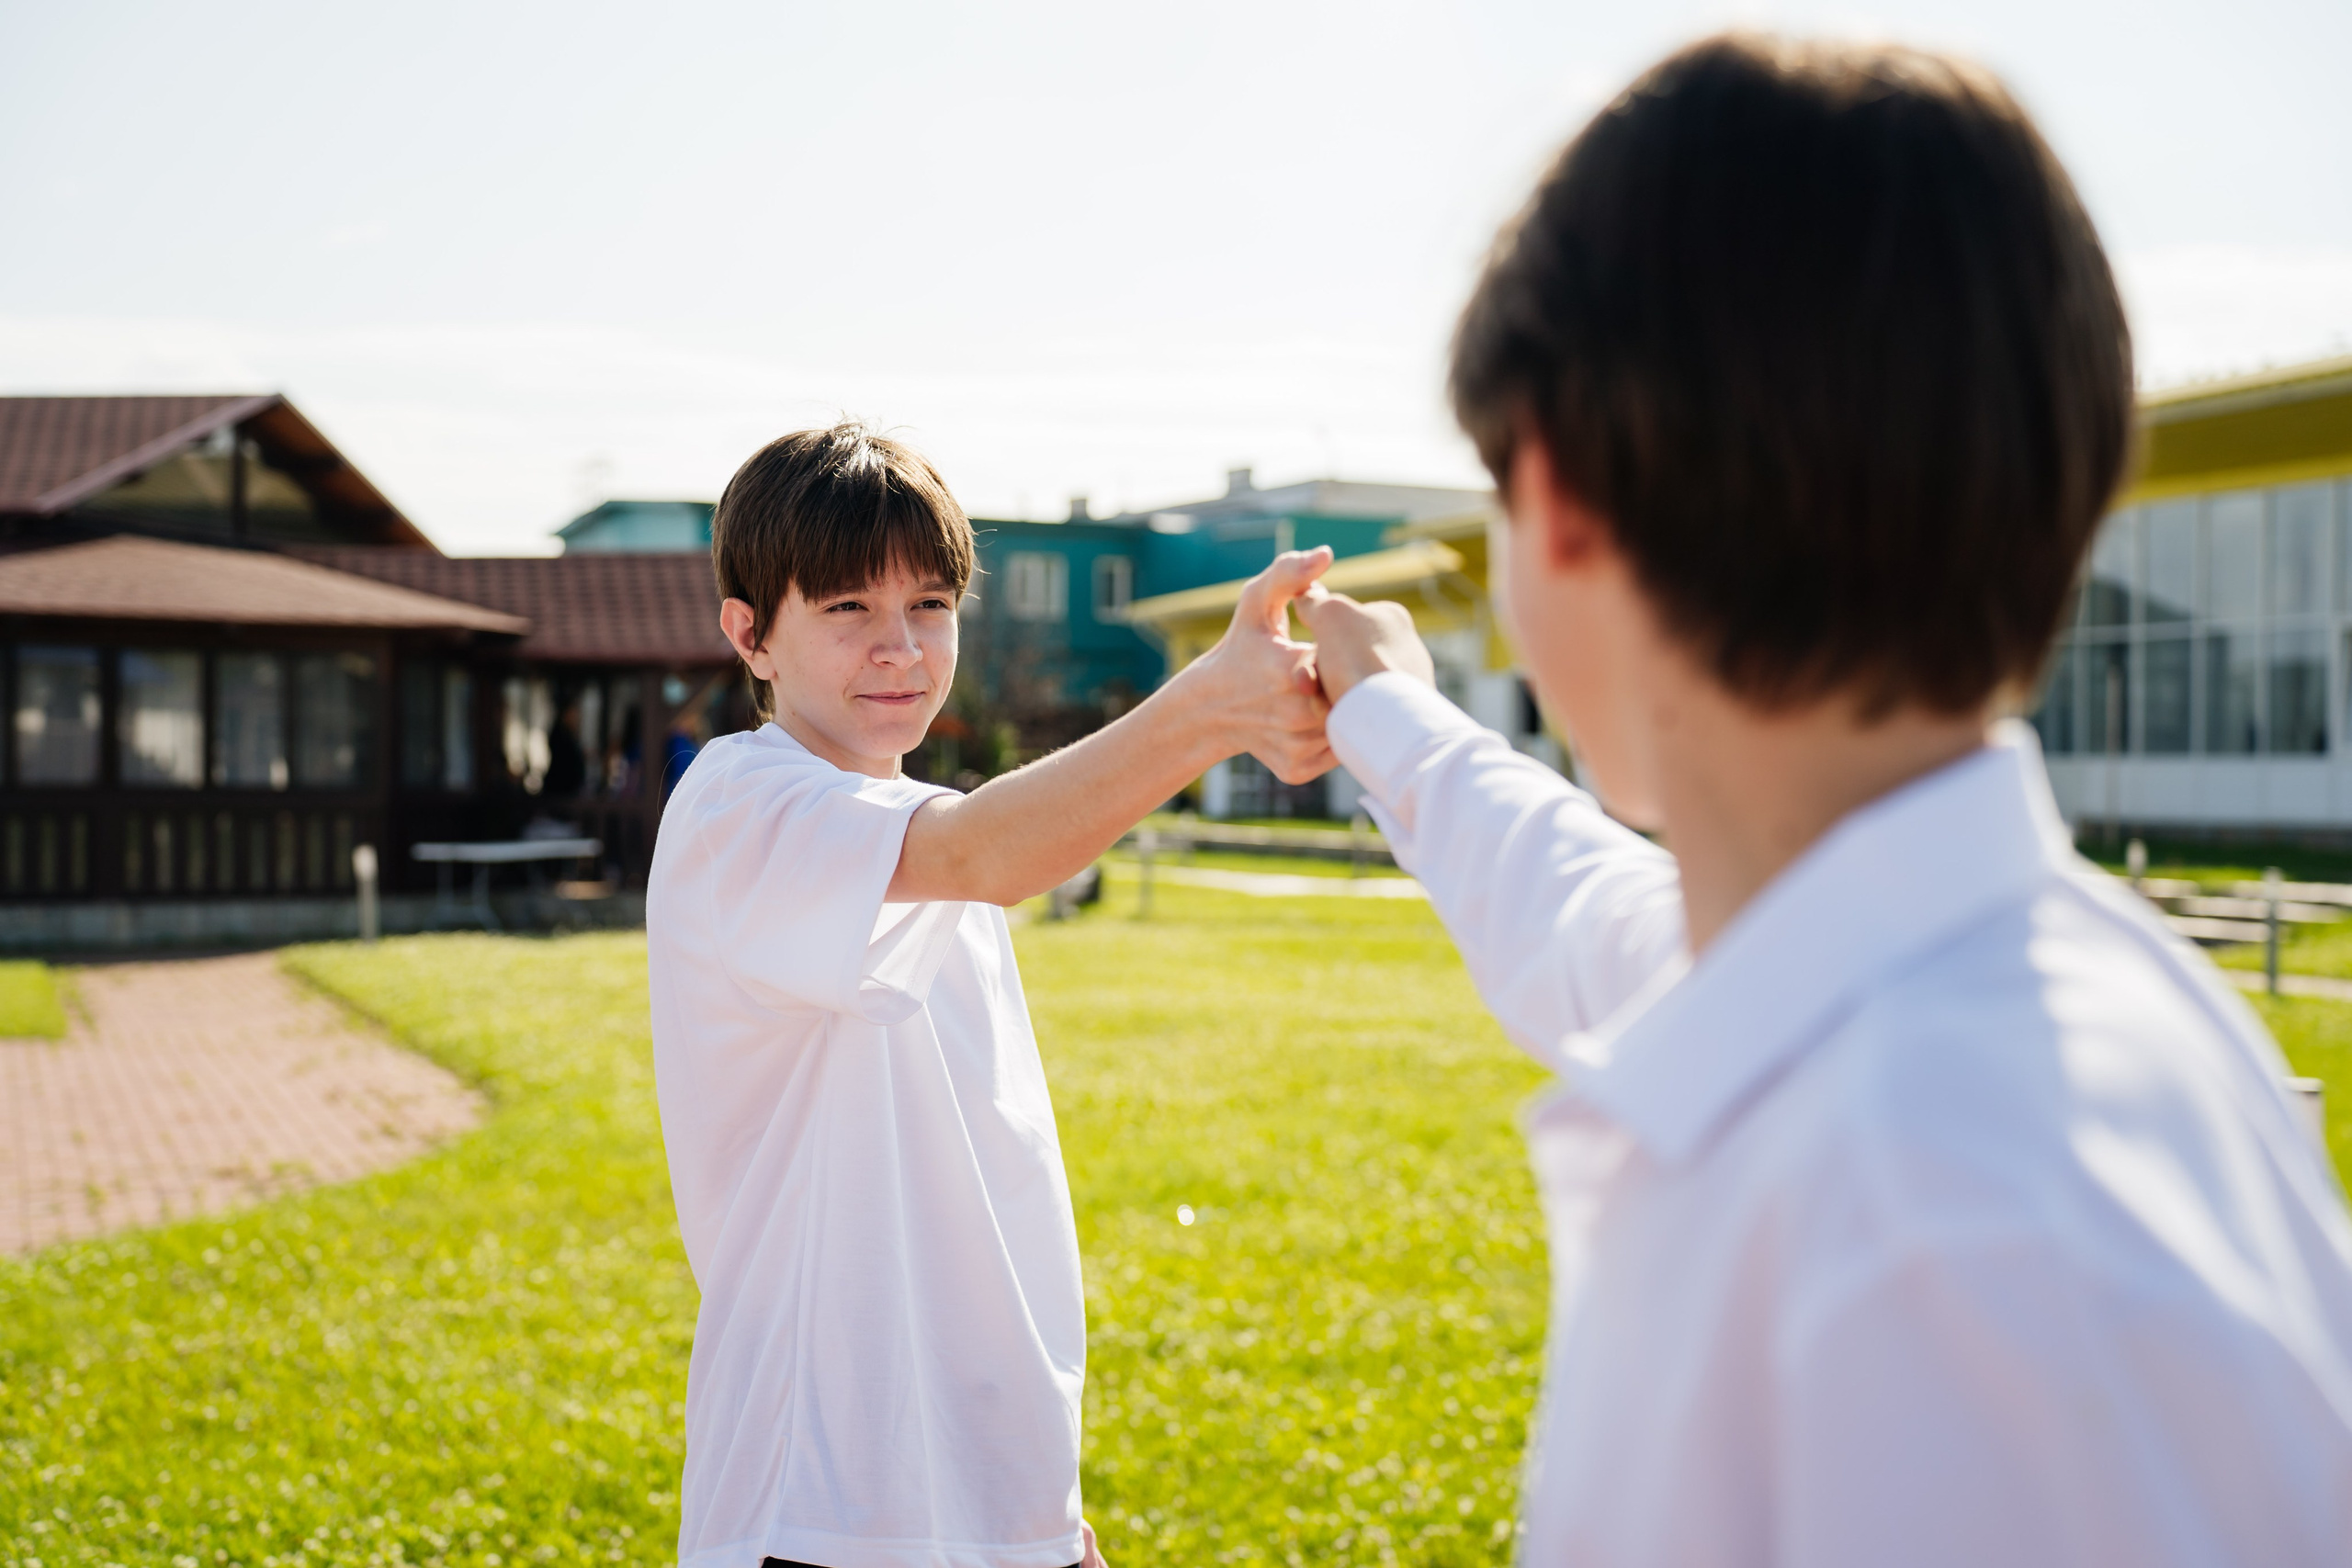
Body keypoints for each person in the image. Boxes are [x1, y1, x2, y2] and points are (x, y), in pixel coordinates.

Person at [1298, 34, 2352, 1566]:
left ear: (1567, 504)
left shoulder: (1930, 1243)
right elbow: (1594, 916)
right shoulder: (2018, 1007)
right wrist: (1392, 711)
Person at [646, 422, 1333, 1568]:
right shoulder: (740, 805)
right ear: (749, 636)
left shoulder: (917, 830)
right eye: (846, 610)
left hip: (983, 1507)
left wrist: (1035, 1500)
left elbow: (979, 1187)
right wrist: (1211, 707)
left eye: (927, 605)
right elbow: (986, 854)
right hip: (821, 1503)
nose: (900, 648)